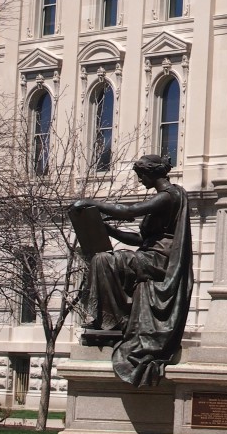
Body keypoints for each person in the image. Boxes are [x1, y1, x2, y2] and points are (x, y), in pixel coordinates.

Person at [71, 154, 193, 387]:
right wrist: (108, 230)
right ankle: (113, 319)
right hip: (150, 255)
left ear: (151, 173)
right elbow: (140, 239)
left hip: (160, 261)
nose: (139, 181)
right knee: (104, 259)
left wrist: (92, 203)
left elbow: (129, 211)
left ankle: (113, 320)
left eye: (140, 175)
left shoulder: (168, 196)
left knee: (104, 261)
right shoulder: (164, 198)